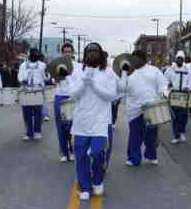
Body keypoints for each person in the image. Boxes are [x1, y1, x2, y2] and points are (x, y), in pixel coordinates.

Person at [69, 42, 116, 200]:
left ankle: (97, 181)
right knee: (81, 155)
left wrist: (94, 85)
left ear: (100, 54)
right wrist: (84, 83)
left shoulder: (108, 72)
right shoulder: (77, 71)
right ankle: (85, 187)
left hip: (100, 122)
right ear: (85, 55)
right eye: (89, 52)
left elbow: (111, 95)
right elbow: (73, 95)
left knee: (97, 153)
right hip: (81, 122)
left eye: (95, 52)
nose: (92, 54)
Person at [117, 50, 168, 166]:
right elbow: (121, 88)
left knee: (150, 135)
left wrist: (165, 95)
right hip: (134, 110)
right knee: (134, 136)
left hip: (151, 109)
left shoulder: (154, 71)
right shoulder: (128, 72)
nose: (134, 61)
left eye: (137, 58)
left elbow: (163, 86)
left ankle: (151, 156)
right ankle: (133, 159)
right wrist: (124, 73)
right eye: (133, 59)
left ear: (143, 59)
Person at [54, 43, 82, 162]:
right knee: (61, 126)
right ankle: (63, 152)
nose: (67, 53)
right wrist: (57, 76)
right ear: (62, 53)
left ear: (73, 53)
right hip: (59, 96)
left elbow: (79, 82)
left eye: (69, 51)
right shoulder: (57, 64)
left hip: (73, 98)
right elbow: (53, 79)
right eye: (64, 51)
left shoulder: (78, 66)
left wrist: (68, 75)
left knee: (72, 126)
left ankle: (73, 151)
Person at [165, 51, 191, 144]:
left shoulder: (188, 69)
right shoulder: (171, 69)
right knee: (174, 116)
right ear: (176, 59)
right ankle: (176, 136)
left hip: (184, 95)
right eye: (178, 58)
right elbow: (165, 80)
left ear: (183, 60)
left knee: (183, 116)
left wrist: (188, 87)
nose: (179, 60)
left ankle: (182, 132)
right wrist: (169, 87)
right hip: (174, 95)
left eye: (181, 59)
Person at [18, 48, 47, 141]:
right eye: (32, 54)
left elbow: (46, 77)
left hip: (38, 91)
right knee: (27, 113)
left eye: (36, 54)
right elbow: (19, 76)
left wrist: (48, 74)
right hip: (26, 90)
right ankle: (29, 133)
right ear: (29, 55)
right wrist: (22, 80)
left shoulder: (42, 65)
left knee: (38, 113)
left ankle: (37, 131)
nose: (34, 55)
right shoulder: (23, 65)